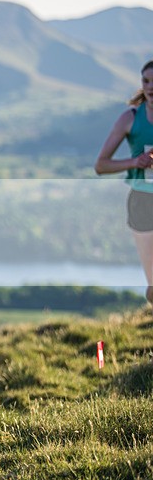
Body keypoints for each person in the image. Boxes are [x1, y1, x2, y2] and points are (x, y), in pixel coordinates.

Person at [95, 59, 153, 303]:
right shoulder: (130, 118)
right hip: (143, 203)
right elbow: (101, 165)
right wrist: (135, 162)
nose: (150, 87)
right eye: (146, 81)